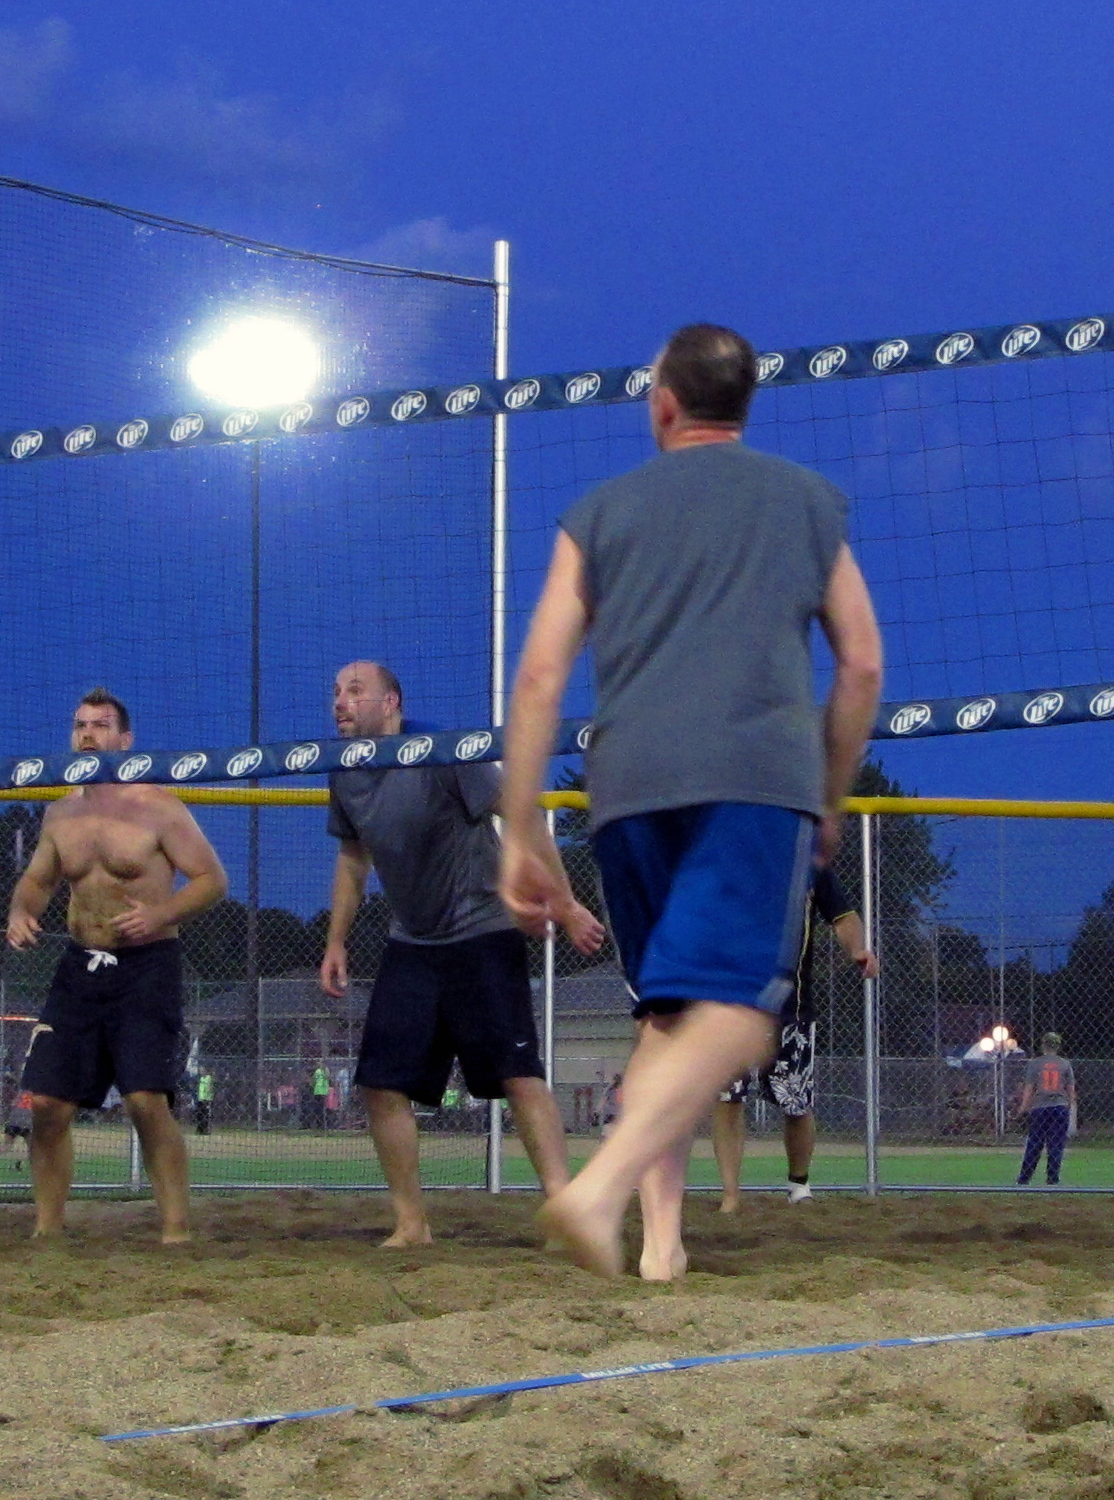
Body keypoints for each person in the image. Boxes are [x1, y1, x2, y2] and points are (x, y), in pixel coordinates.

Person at [497, 323, 884, 1281]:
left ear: (664, 402)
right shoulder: (805, 501)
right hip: (752, 778)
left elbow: (541, 674)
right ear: (741, 405)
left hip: (625, 790)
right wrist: (826, 796)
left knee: (666, 1023)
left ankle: (663, 1247)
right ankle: (600, 1190)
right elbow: (863, 664)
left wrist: (519, 829)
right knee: (744, 1014)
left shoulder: (598, 510)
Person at [319, 660, 603, 1246]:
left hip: (482, 930)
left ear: (391, 701)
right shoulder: (343, 769)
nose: (339, 702)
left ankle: (566, 1212)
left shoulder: (446, 752)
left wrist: (567, 905)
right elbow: (353, 859)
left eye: (354, 691)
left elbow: (523, 816)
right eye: (335, 693)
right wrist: (336, 941)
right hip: (413, 941)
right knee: (378, 1083)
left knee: (519, 1076)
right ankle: (411, 1223)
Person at [5, 688, 228, 1243]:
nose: (87, 735)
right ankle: (47, 1229)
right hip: (80, 967)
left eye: (100, 726)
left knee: (145, 1100)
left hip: (147, 966)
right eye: (80, 725)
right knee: (50, 1105)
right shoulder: (61, 812)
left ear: (125, 740)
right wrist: (20, 912)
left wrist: (160, 914)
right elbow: (37, 879)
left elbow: (212, 881)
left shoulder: (158, 807)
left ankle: (175, 1230)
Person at [712, 866, 876, 1208]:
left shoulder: (808, 865)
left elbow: (843, 916)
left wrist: (857, 949)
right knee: (729, 1099)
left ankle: (799, 1185)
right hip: (733, 1003)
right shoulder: (730, 855)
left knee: (797, 1103)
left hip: (792, 1007)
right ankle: (730, 1194)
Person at [1014, 1032, 1077, 1186]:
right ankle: (1052, 1178)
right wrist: (1072, 1108)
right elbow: (1070, 1090)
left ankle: (1024, 1178)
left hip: (1040, 1107)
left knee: (1035, 1144)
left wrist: (1022, 1108)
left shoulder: (1035, 1064)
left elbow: (1029, 1089)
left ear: (1043, 1045)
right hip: (1060, 1106)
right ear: (1058, 1046)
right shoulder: (1064, 1064)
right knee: (1056, 1144)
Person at [0, 1090, 34, 1171]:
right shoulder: (38, 1095)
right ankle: (21, 1163)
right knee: (33, 1148)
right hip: (26, 1122)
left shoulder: (22, 1093)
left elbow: (13, 1104)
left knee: (7, 1144)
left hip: (13, 1120)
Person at [192, 1068, 214, 1137]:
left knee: (206, 1115)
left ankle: (206, 1129)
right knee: (199, 1114)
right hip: (200, 1098)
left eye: (202, 1071)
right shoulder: (201, 1078)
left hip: (207, 1099)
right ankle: (200, 1129)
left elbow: (211, 1086)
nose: (201, 1072)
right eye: (200, 1071)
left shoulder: (209, 1078)